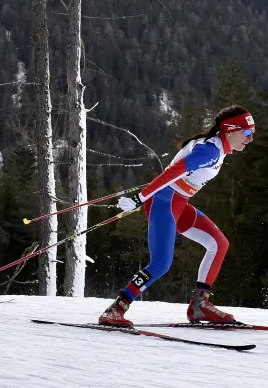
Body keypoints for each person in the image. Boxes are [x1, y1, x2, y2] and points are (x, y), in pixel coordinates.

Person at [99, 105, 255, 327]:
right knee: (161, 263)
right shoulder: (210, 151)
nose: (250, 139)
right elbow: (172, 172)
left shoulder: (217, 148)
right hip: (164, 202)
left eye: (252, 133)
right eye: (247, 133)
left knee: (219, 243)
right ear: (230, 130)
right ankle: (115, 309)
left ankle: (200, 306)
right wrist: (139, 198)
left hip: (178, 203)